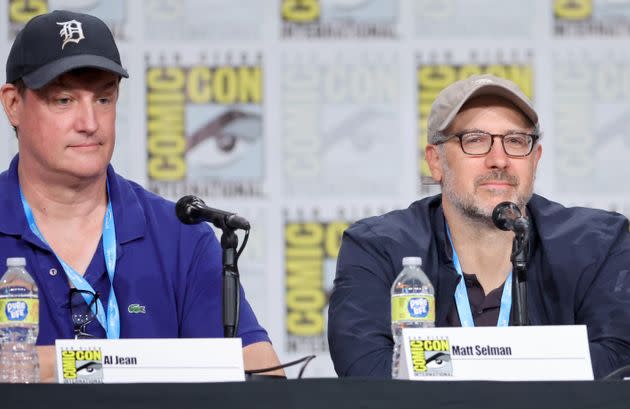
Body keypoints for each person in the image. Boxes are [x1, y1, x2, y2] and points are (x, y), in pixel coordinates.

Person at [0, 10, 282, 381]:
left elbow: (266, 373)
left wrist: (54, 365)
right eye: (64, 100)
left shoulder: (181, 233)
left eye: (103, 100)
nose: (89, 123)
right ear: (13, 104)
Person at [328, 74, 630, 379]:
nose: (498, 159)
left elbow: (618, 360)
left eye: (515, 141)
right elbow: (365, 373)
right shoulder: (379, 249)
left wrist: (446, 365)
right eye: (474, 140)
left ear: (535, 159)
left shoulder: (597, 244)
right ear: (436, 161)